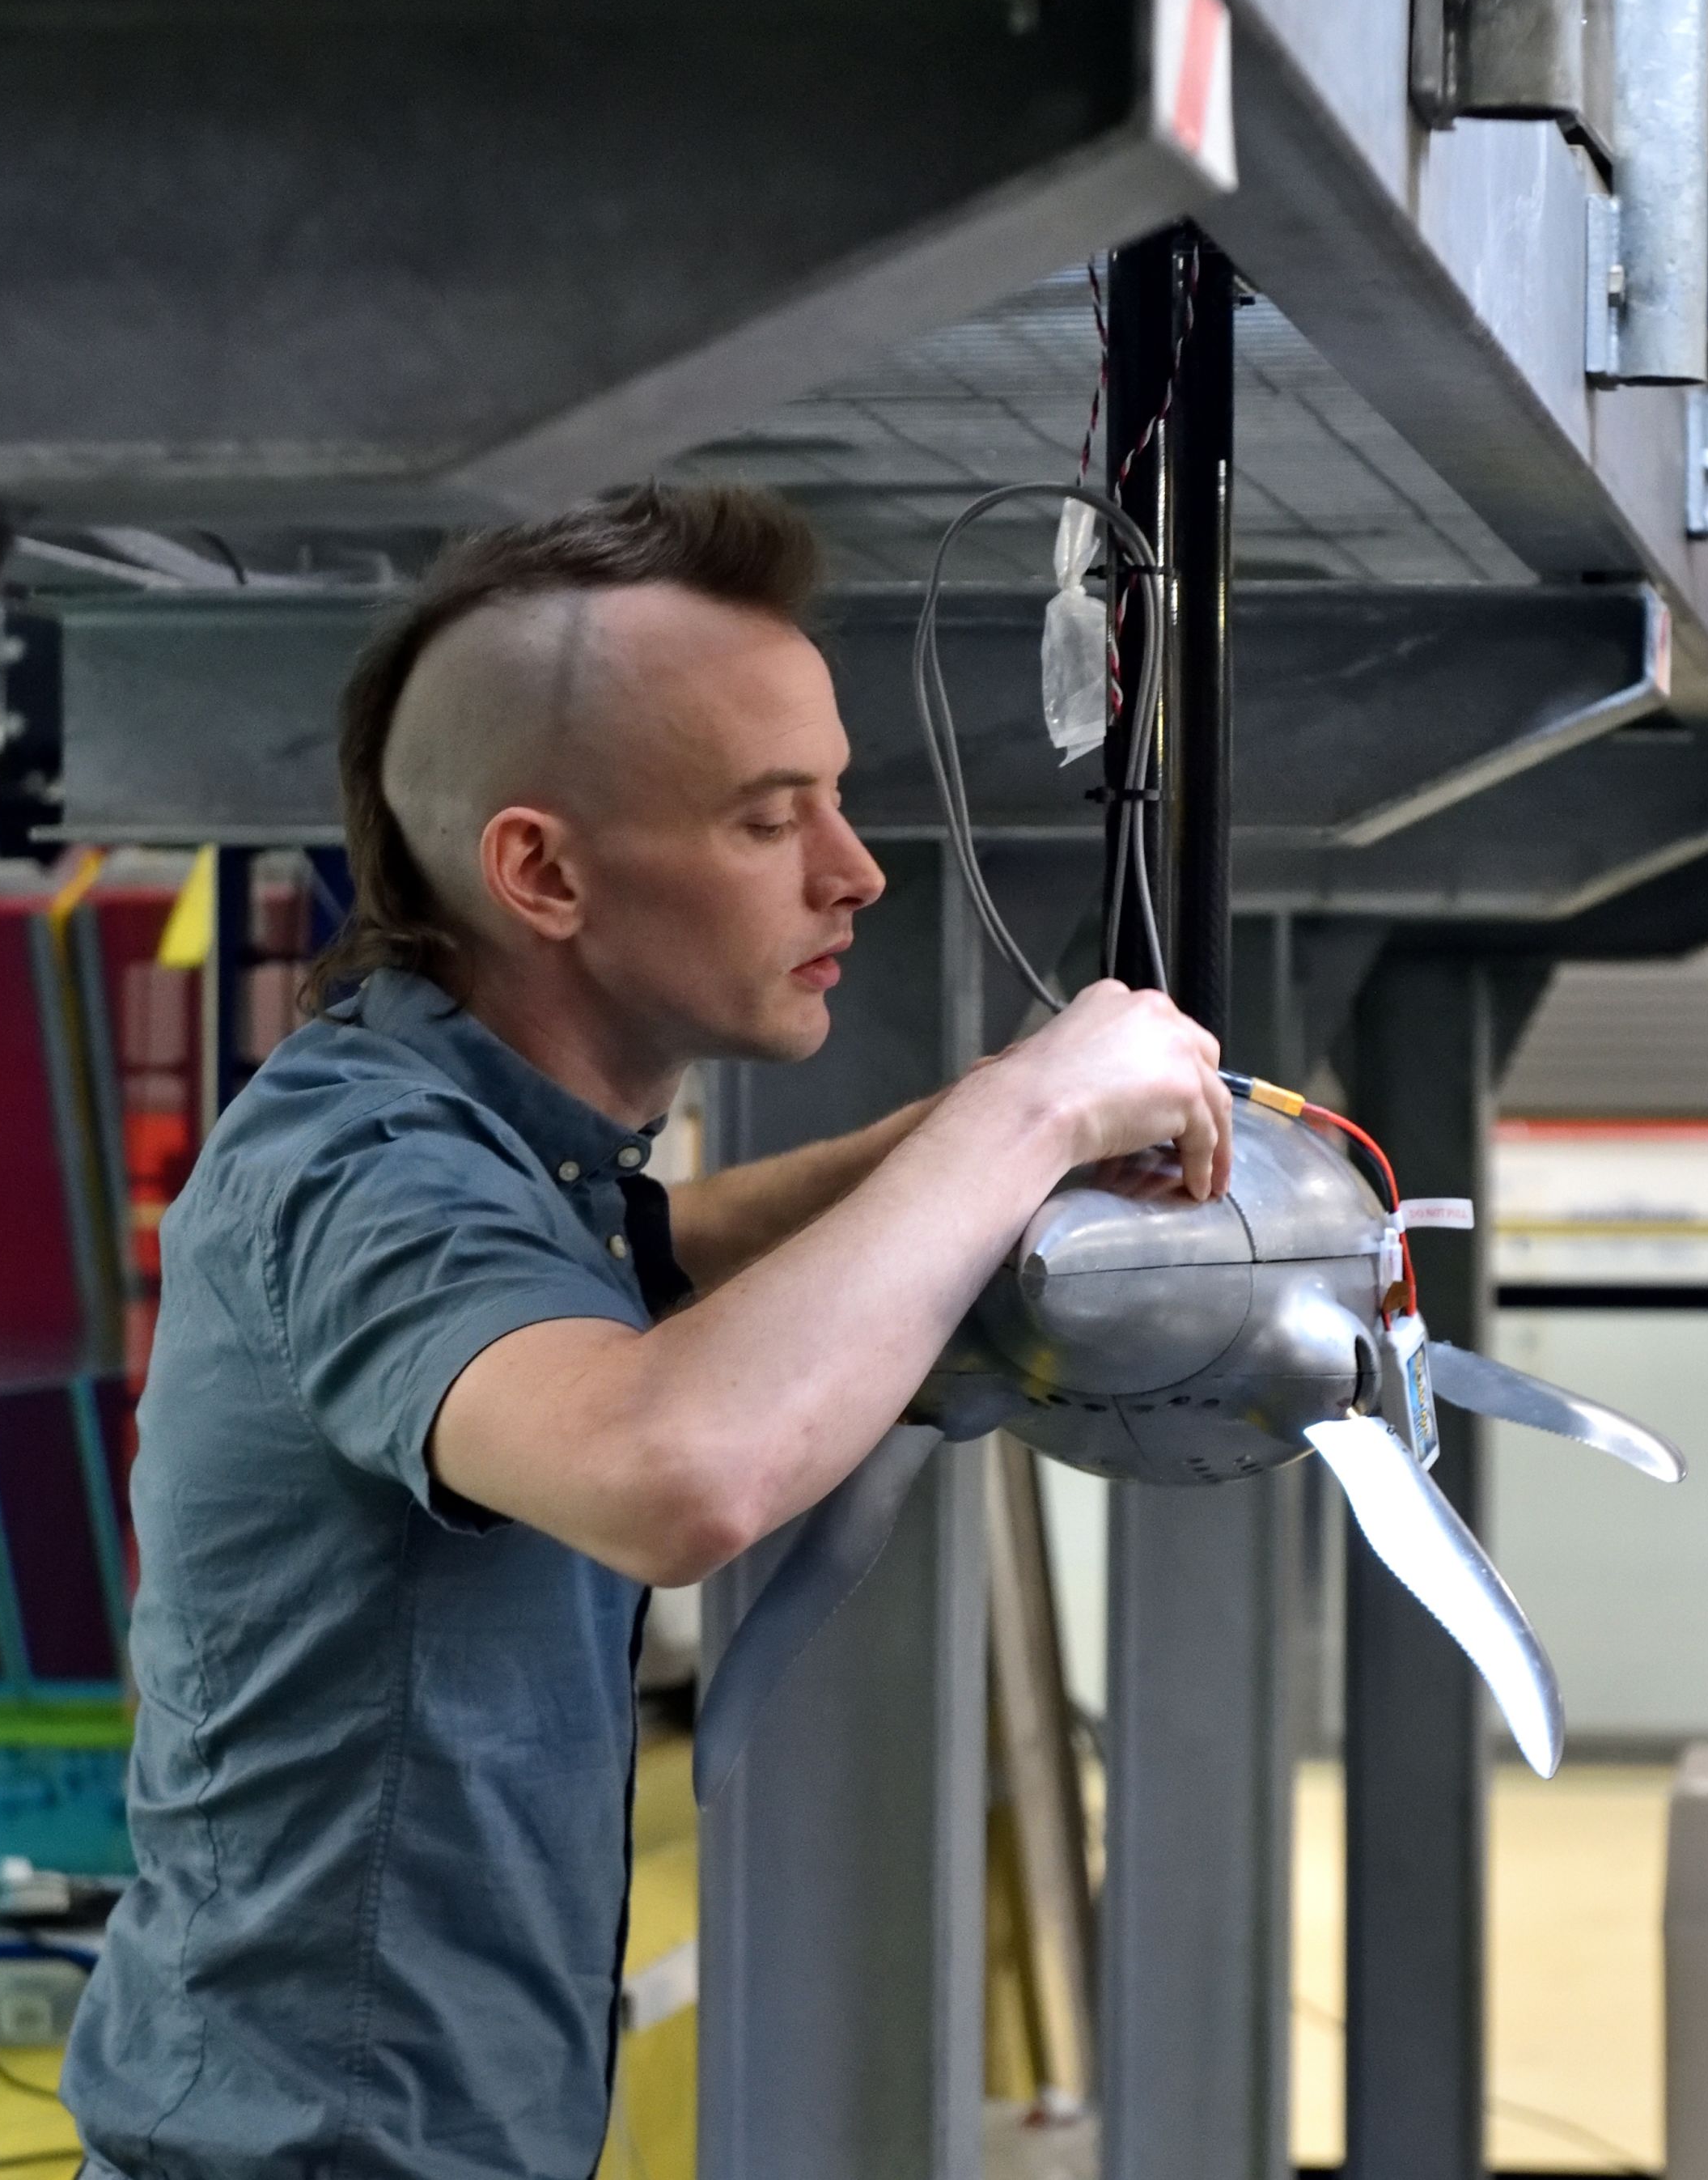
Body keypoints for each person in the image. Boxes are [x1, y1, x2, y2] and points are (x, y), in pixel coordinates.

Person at [60, 482, 1230, 2179]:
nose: (855, 869)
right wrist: (1031, 1117)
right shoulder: (366, 1168)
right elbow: (667, 1464)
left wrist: (987, 1125)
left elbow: (655, 1246)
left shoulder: (506, 1165)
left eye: (833, 799)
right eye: (770, 819)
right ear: (540, 869)